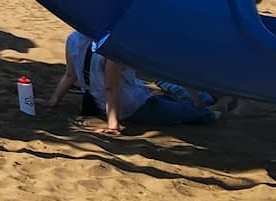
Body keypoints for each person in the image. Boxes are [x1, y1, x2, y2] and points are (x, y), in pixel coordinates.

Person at [45, 30, 220, 133]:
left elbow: (70, 75)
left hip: (97, 104)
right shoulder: (110, 47)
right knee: (186, 111)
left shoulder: (73, 39)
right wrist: (113, 126)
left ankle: (200, 102)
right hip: (133, 107)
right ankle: (212, 112)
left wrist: (52, 102)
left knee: (167, 100)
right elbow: (110, 88)